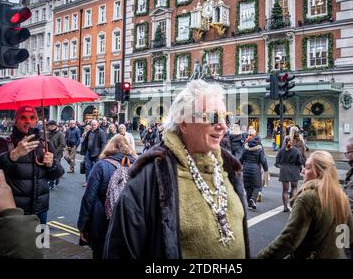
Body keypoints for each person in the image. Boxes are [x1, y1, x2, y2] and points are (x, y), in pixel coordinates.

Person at [104, 79, 250, 259]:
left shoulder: (230, 168)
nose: (223, 126)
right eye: (212, 117)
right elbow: (120, 252)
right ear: (184, 123)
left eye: (225, 118)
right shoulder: (148, 178)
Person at [257, 151, 353, 259]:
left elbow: (289, 240)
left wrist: (262, 256)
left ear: (320, 172)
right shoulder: (342, 197)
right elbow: (349, 236)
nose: (303, 171)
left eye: (308, 167)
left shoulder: (307, 198)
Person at [0, 106, 64, 225]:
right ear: (15, 121)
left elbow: (57, 174)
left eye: (32, 117)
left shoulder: (45, 143)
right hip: (12, 210)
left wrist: (52, 164)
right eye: (23, 117)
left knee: (40, 243)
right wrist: (13, 155)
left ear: (36, 121)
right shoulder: (3, 143)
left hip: (41, 209)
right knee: (14, 243)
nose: (28, 121)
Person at [77, 135, 137, 259]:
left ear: (110, 147)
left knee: (100, 252)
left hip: (102, 221)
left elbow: (89, 198)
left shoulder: (101, 165)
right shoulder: (138, 165)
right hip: (128, 222)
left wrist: (83, 226)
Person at [275, 136, 304, 212]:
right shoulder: (296, 151)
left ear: (284, 142)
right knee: (294, 188)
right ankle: (293, 206)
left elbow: (276, 163)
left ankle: (285, 207)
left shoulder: (281, 151)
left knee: (285, 190)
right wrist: (299, 168)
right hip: (294, 170)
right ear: (292, 142)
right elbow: (300, 162)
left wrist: (281, 167)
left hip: (284, 170)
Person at [240, 138, 268, 210]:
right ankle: (253, 199)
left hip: (246, 169)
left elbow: (241, 159)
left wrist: (239, 168)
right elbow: (263, 161)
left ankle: (250, 205)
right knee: (257, 186)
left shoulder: (245, 149)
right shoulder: (259, 149)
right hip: (255, 170)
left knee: (248, 187)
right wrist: (266, 169)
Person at [80, 119, 107, 186]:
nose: (93, 126)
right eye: (92, 125)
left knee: (98, 169)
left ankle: (97, 182)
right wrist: (84, 150)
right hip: (88, 152)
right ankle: (88, 182)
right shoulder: (89, 132)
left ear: (97, 125)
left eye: (94, 125)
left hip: (97, 153)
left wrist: (101, 154)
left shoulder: (101, 132)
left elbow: (103, 144)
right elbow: (85, 141)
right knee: (87, 168)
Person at [47, 120, 66, 190]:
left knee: (54, 167)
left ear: (55, 126)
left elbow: (62, 144)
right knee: (49, 168)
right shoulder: (48, 133)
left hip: (57, 154)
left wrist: (55, 152)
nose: (50, 127)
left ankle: (53, 182)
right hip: (48, 153)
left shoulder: (60, 134)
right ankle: (52, 180)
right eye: (49, 126)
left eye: (52, 126)